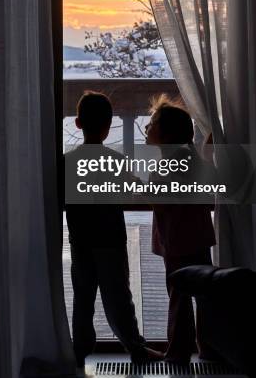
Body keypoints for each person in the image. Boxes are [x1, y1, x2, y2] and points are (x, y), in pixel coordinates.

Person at [65, 91, 161, 371]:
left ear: (78, 123)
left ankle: (79, 352)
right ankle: (135, 346)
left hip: (81, 241)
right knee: (118, 296)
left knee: (83, 299)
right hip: (110, 239)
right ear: (108, 128)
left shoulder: (66, 162)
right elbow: (134, 191)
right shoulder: (114, 162)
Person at [145, 94, 216, 363]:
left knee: (179, 297)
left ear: (166, 135)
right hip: (198, 237)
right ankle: (209, 347)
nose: (147, 128)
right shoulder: (191, 158)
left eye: (151, 124)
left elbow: (161, 203)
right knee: (203, 294)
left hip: (177, 241)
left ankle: (177, 352)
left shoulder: (165, 165)